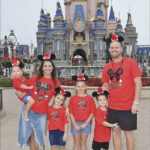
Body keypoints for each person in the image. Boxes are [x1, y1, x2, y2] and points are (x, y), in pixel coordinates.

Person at [102, 34, 142, 150]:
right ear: (109, 50)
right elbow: (105, 85)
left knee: (128, 134)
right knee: (115, 133)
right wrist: (101, 101)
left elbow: (138, 82)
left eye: (116, 47)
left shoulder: (131, 63)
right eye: (112, 47)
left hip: (128, 106)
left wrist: (136, 102)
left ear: (121, 49)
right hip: (113, 107)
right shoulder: (107, 67)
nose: (114, 50)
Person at [18, 53, 61, 150]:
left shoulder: (56, 82)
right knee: (31, 136)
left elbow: (59, 99)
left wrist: (64, 109)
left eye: (49, 66)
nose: (47, 68)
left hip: (42, 113)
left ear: (53, 68)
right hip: (30, 111)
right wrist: (21, 97)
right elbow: (24, 91)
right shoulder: (34, 78)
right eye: (45, 66)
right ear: (42, 68)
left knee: (40, 138)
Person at [69, 71, 96, 150]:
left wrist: (86, 123)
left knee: (83, 143)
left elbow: (92, 112)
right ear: (75, 87)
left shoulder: (90, 98)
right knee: (76, 143)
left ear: (86, 87)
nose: (80, 88)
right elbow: (71, 113)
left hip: (86, 123)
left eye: (82, 86)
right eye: (78, 86)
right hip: (75, 122)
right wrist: (74, 125)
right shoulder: (73, 99)